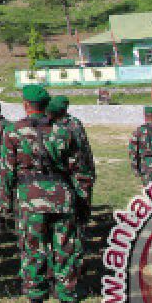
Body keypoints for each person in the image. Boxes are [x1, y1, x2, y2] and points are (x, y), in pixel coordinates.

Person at [0, 85, 87, 303]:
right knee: (66, 252)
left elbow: (6, 171)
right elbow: (80, 170)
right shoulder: (64, 130)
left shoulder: (13, 131)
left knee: (33, 252)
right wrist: (82, 201)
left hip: (29, 198)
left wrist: (4, 204)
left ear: (26, 104)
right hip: (61, 196)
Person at [47, 96, 95, 263]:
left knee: (69, 220)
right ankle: (77, 251)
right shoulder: (75, 123)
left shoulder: (54, 127)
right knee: (79, 217)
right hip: (81, 175)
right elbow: (86, 150)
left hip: (67, 177)